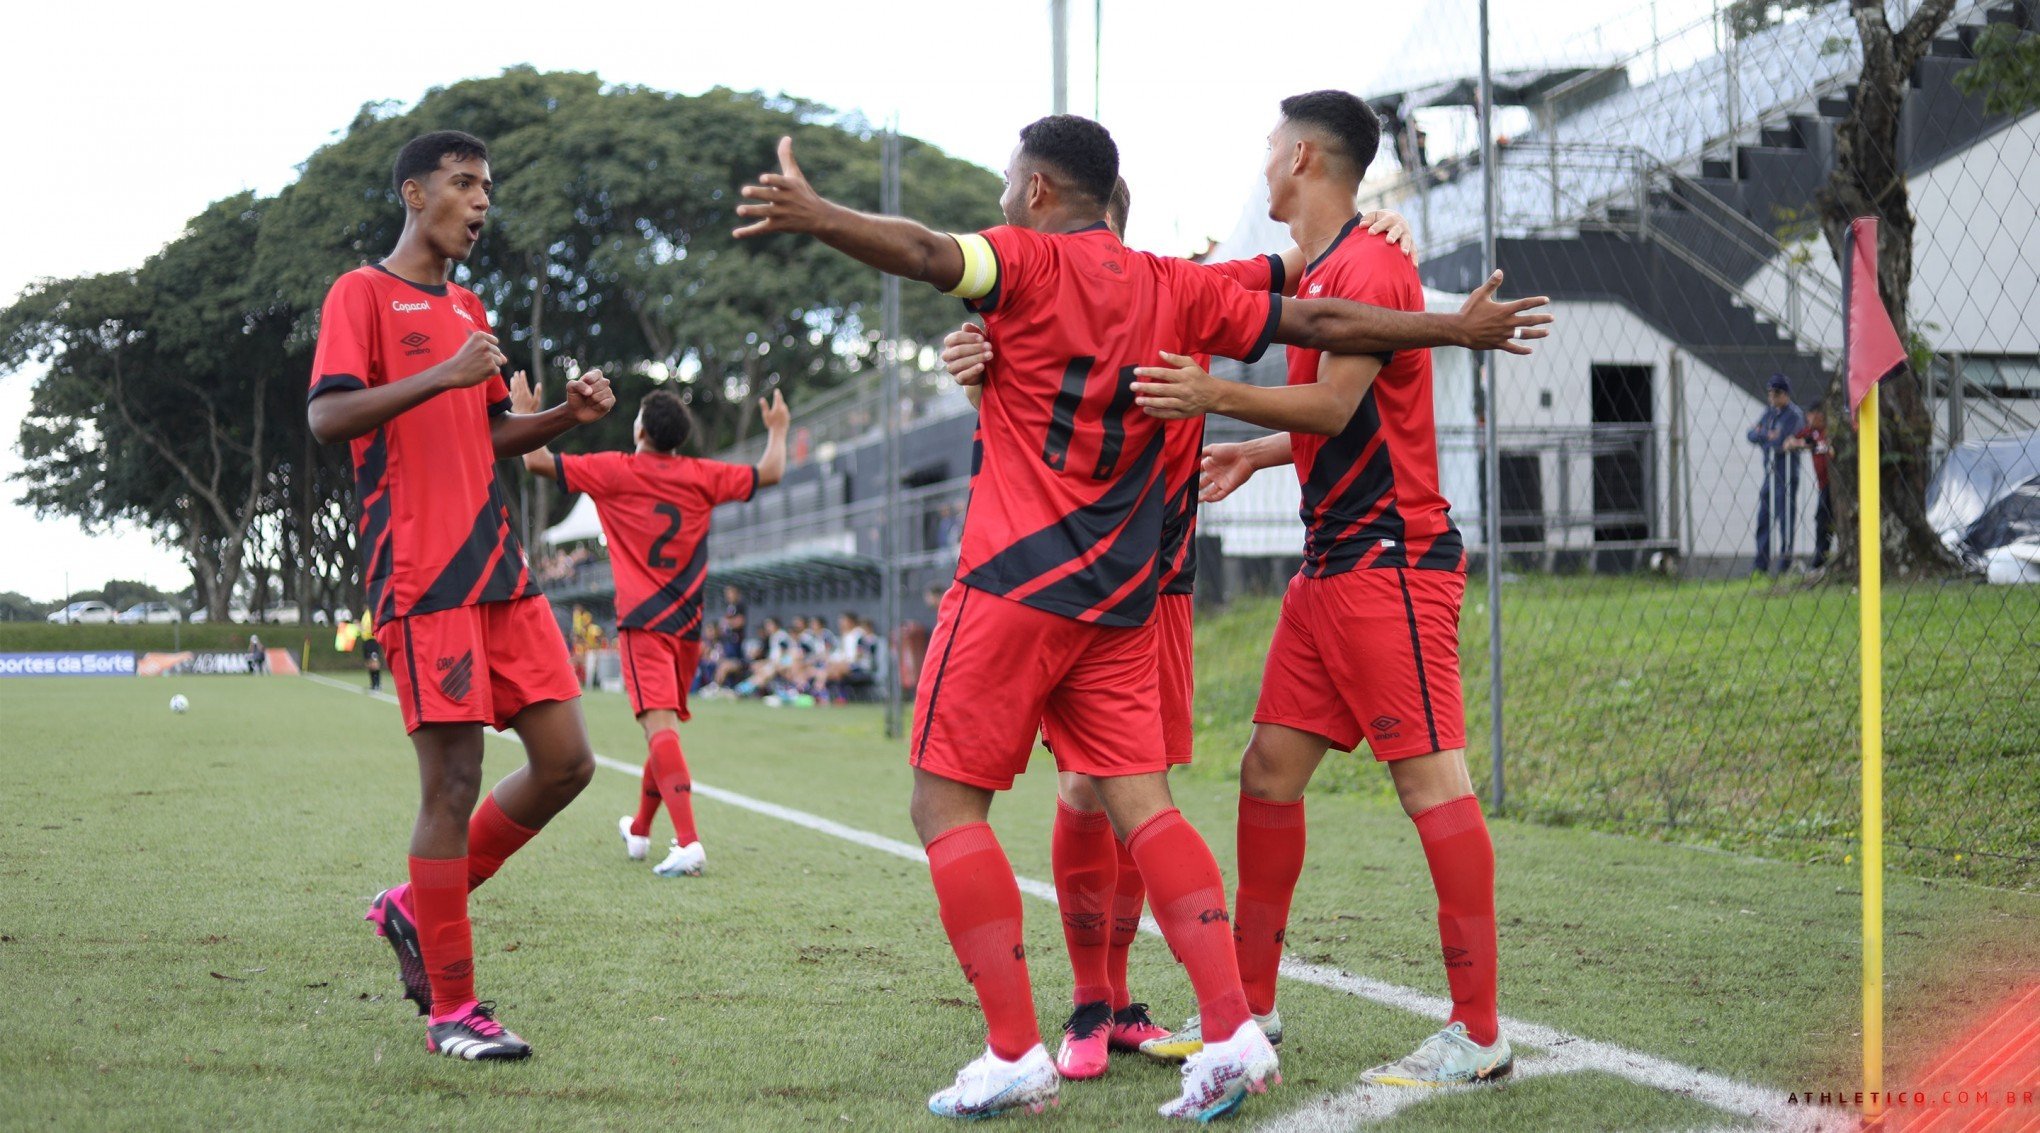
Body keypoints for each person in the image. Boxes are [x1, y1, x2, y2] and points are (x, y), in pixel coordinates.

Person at [733, 115, 1548, 1120]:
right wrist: (1450, 326)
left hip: (1028, 584)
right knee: (1159, 798)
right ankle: (1224, 1020)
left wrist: (816, 214)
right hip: (1128, 600)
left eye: (1005, 184)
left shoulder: (1027, 265)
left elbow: (922, 250)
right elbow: (1319, 316)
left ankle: (1026, 1044)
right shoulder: (1179, 285)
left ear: (1037, 194)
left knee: (950, 805)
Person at [939, 178, 1419, 1081]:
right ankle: (1094, 1001)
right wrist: (972, 367)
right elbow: (1017, 421)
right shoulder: (1029, 301)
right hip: (1063, 587)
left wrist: (1390, 225)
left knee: (1132, 794)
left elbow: (1311, 267)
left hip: (1157, 589)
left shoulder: (1177, 287)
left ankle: (1123, 1007)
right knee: (1091, 790)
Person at [1128, 91, 1515, 1087]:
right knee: (1266, 773)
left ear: (1301, 156)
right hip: (1330, 567)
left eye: (1267, 146)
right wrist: (1260, 448)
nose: (1261, 162)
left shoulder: (1373, 262)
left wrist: (1213, 396)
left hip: (1390, 561)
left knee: (1433, 782)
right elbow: (1341, 412)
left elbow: (1340, 404)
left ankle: (1479, 1030)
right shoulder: (1335, 264)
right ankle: (1252, 1006)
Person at [307, 129, 616, 1062]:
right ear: (414, 194)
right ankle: (454, 1009)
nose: (481, 202)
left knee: (568, 762)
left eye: (487, 187)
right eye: (463, 184)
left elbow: (485, 436)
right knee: (451, 784)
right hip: (422, 575)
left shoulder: (470, 305)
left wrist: (566, 416)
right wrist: (441, 373)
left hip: (500, 572)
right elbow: (326, 415)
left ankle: (410, 905)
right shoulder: (361, 293)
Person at [516, 379, 788, 878]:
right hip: (687, 628)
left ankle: (689, 843)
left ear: (641, 429)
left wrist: (527, 415)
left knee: (659, 730)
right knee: (660, 732)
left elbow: (535, 461)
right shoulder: (702, 474)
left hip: (644, 624)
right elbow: (770, 471)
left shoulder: (616, 469)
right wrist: (778, 430)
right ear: (678, 440)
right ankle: (640, 830)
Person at [1747, 374, 1807, 575]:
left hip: (1786, 473)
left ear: (1786, 394)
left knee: (1785, 518)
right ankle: (1760, 564)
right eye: (1770, 393)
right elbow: (1752, 434)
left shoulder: (1794, 415)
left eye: (1777, 393)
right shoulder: (1769, 413)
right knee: (1764, 516)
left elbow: (1783, 442)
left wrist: (1767, 436)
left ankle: (1785, 563)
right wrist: (1766, 435)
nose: (1772, 397)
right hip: (1770, 473)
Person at [1785, 406, 1832, 569]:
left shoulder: (1829, 431)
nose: (1808, 419)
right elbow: (1792, 441)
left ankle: (1821, 559)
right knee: (1821, 519)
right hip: (1822, 485)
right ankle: (1821, 559)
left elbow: (1827, 448)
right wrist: (1795, 442)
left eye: (1811, 415)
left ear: (1819, 415)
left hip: (1831, 484)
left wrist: (1808, 445)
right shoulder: (1811, 432)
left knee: (1824, 518)